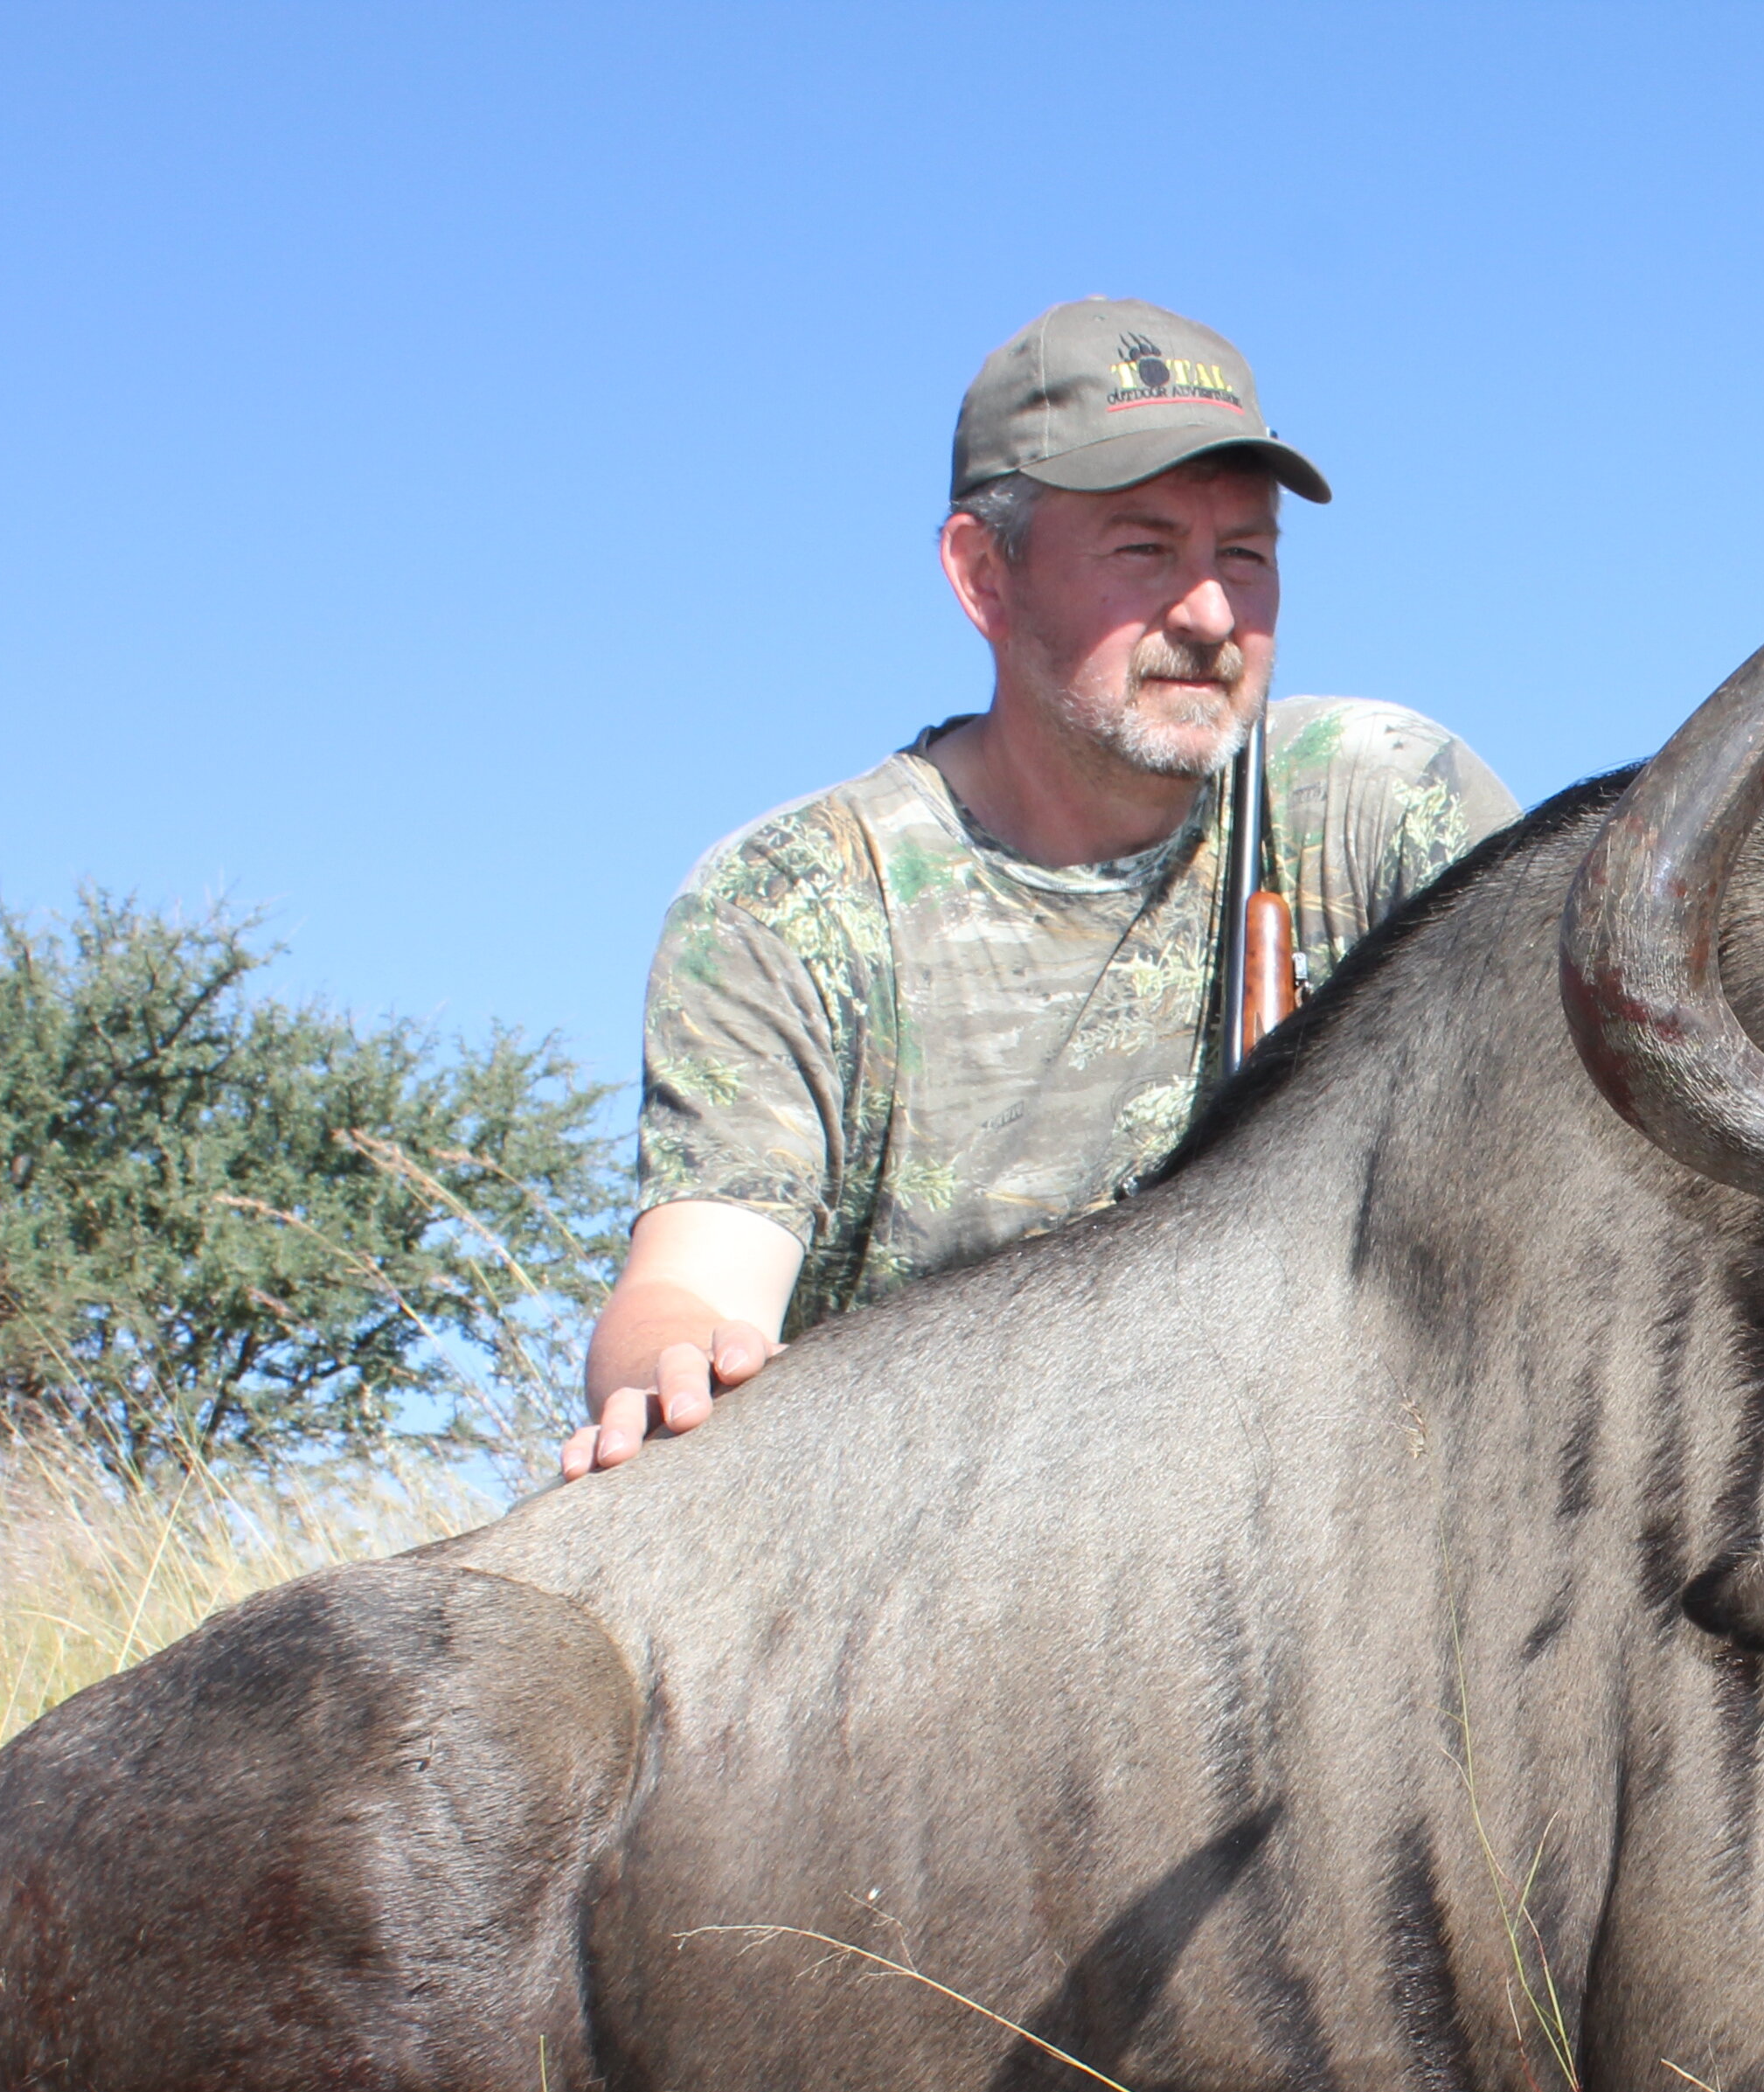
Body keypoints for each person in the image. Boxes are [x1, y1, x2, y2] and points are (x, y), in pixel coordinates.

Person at [564, 298, 1517, 1477]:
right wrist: (679, 1368)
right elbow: (694, 1278)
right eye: (1144, 549)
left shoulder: (1382, 800)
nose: (1213, 614)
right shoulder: (791, 899)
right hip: (936, 1521)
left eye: (1247, 555)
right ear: (983, 575)